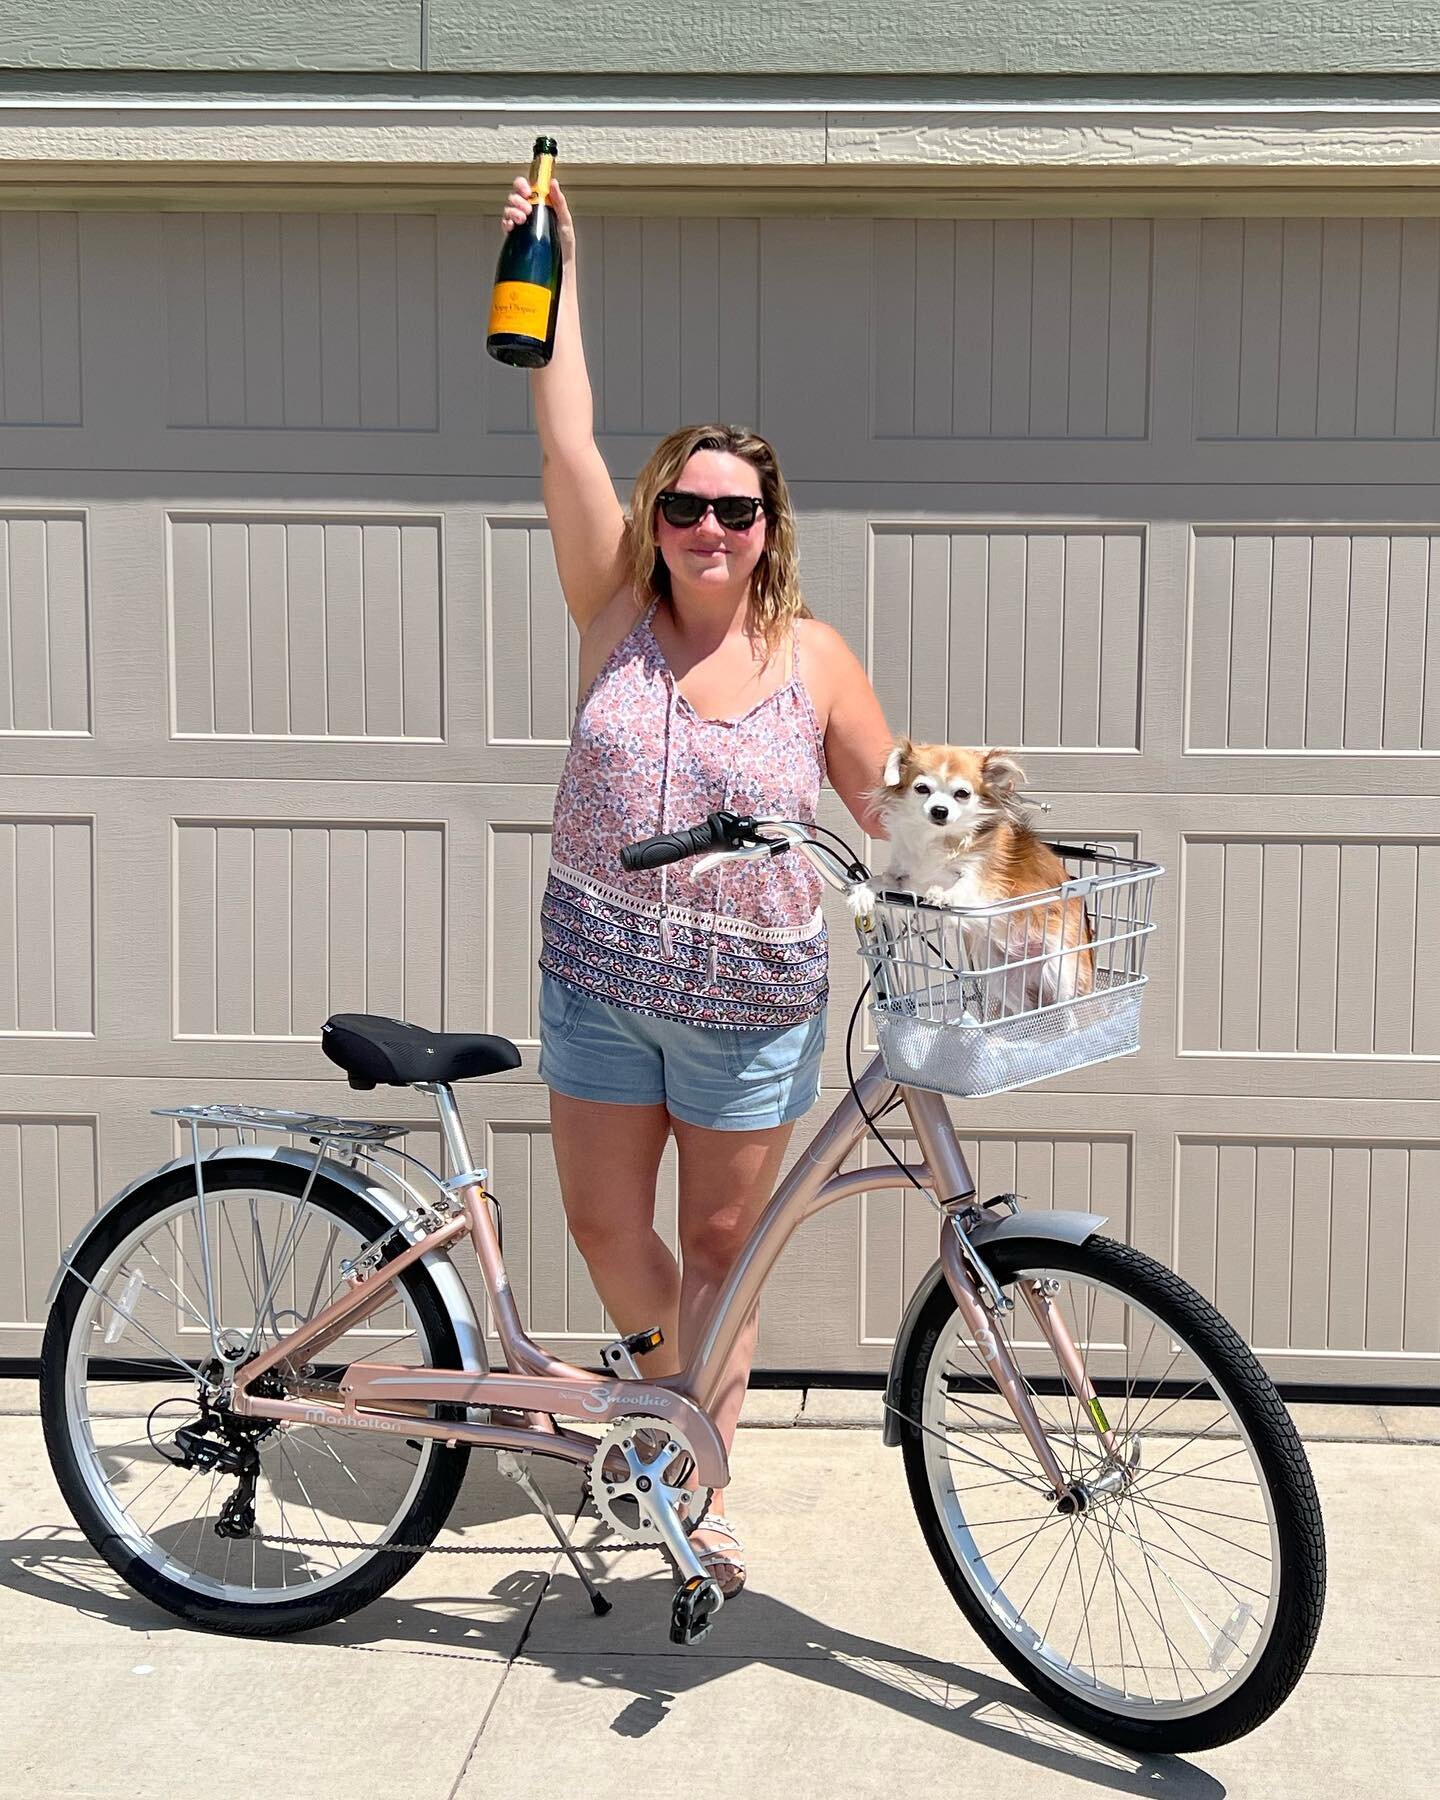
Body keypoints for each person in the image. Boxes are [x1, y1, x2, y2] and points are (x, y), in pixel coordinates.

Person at [501, 170, 893, 1596]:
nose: (706, 528)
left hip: (750, 1003)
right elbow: (561, 428)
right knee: (612, 1234)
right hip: (601, 982)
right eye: (685, 504)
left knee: (725, 1248)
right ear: (657, 516)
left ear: (770, 526)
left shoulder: (816, 657)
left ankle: (696, 1480)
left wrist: (985, 863)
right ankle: (673, 1406)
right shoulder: (610, 605)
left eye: (734, 509)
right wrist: (559, 264)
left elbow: (884, 800)